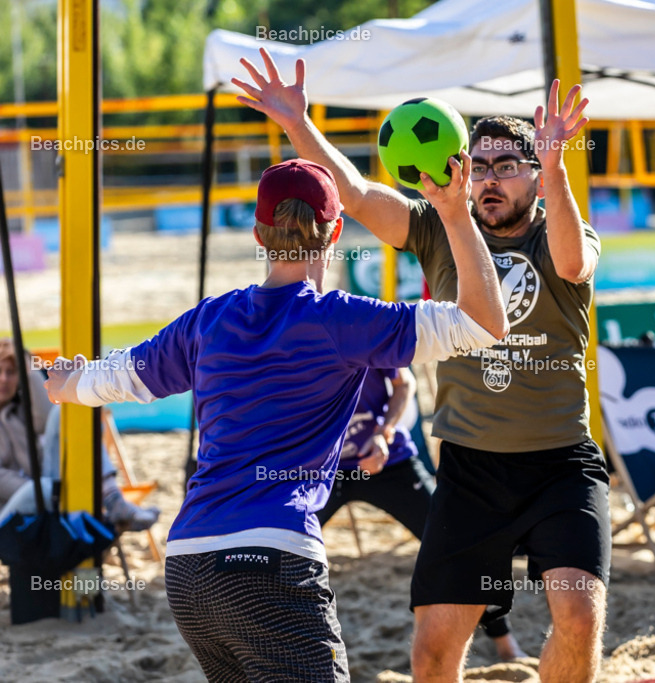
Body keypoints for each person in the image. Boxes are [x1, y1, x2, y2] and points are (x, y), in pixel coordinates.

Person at [43, 157, 508, 682]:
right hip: (273, 553)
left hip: (190, 564)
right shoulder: (341, 317)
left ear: (259, 235)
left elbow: (118, 378)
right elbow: (484, 322)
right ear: (335, 231)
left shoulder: (209, 318)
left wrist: (66, 381)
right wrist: (454, 214)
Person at [234, 49, 609, 682]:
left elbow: (573, 267)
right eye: (479, 164)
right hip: (469, 464)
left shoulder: (561, 230)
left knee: (576, 615)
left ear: (535, 178)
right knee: (433, 650)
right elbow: (351, 194)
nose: (490, 178)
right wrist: (298, 122)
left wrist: (556, 166)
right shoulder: (437, 226)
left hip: (561, 463)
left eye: (508, 166)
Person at [316, 366, 527, 662]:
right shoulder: (287, 330)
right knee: (276, 547)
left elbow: (405, 383)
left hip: (389, 461)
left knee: (457, 546)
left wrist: (383, 432)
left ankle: (504, 640)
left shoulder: (367, 322)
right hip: (321, 468)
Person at [0, 339, 158, 531]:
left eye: (11, 372)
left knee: (69, 409)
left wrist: (28, 369)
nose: (4, 379)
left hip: (48, 488)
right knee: (48, 489)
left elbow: (47, 418)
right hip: (12, 511)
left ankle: (111, 497)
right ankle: (105, 518)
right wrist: (43, 491)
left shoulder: (19, 409)